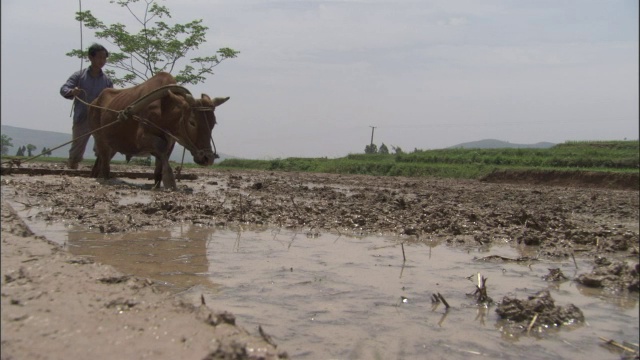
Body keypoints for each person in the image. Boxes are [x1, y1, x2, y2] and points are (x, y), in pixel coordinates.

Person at [60, 43, 114, 169]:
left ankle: (100, 168)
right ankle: (72, 166)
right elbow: (64, 88)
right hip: (82, 116)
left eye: (104, 58)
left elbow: (112, 97)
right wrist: (72, 91)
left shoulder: (107, 80)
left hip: (100, 119)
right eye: (99, 57)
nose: (102, 61)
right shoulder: (79, 76)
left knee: (103, 146)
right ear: (91, 57)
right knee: (78, 145)